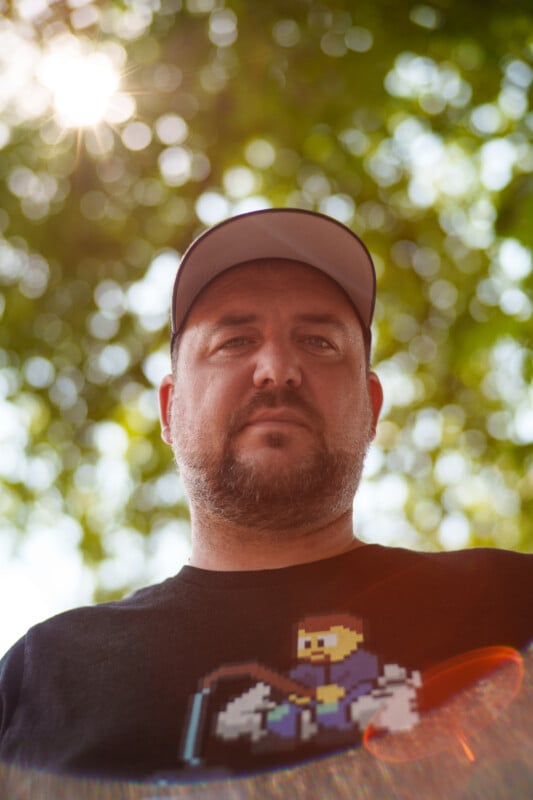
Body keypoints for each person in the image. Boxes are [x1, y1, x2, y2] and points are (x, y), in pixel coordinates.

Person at [0, 208, 531, 781]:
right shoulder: (46, 675)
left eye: (319, 341)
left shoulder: (511, 606)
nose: (277, 369)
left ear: (372, 408)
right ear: (169, 412)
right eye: (235, 341)